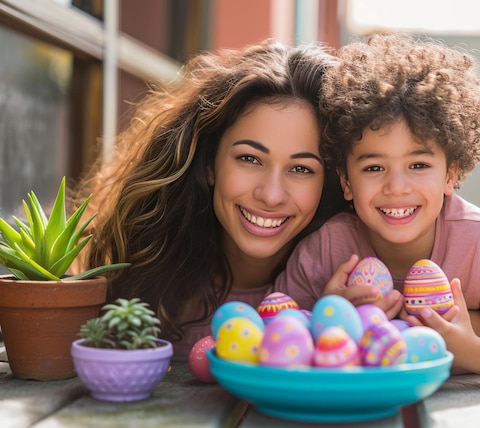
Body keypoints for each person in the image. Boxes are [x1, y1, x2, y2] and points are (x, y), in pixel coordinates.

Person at [274, 33, 480, 385]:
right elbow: (271, 341)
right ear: (346, 182)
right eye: (374, 168)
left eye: (419, 165)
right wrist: (324, 317)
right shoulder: (326, 249)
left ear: (450, 174)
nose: (397, 187)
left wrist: (472, 351)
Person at [73, 39, 348, 359]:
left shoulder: (344, 286)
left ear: (330, 180)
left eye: (301, 168)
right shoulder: (149, 273)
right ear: (208, 164)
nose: (271, 195)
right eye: (249, 159)